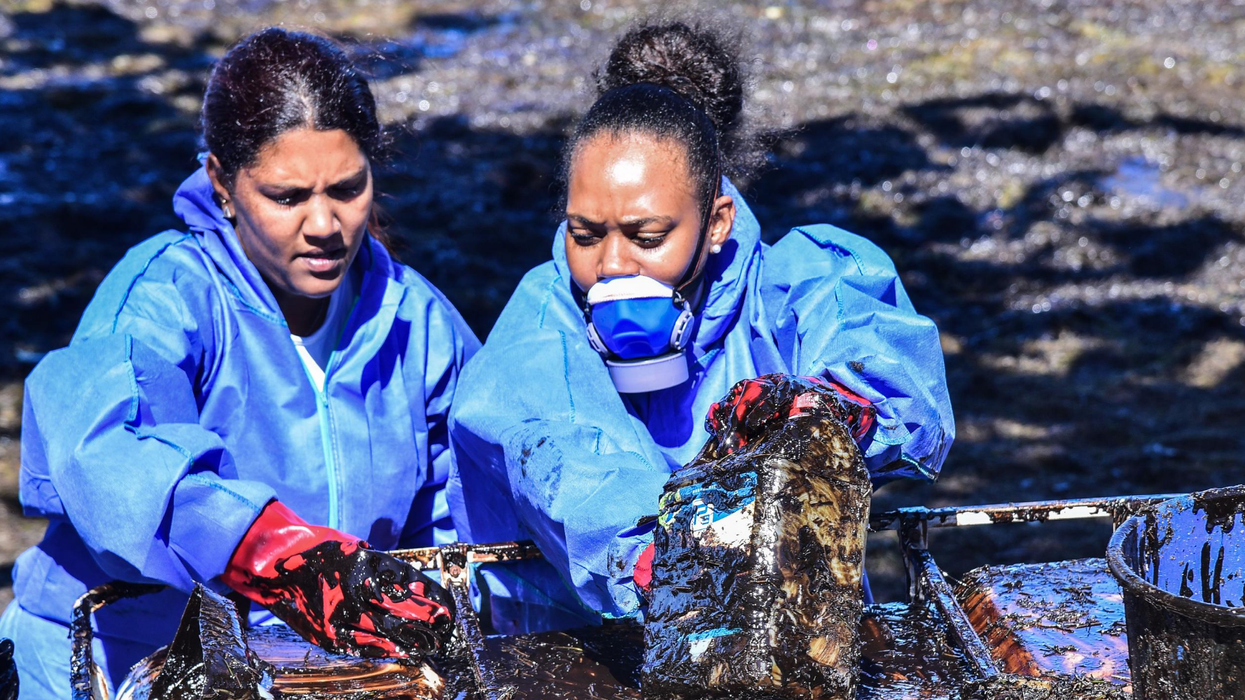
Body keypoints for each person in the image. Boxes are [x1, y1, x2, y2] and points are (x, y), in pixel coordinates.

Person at [0, 28, 478, 698]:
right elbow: (107, 450)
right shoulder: (164, 297)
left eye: (347, 188)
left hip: (313, 679)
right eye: (287, 196)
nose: (325, 224)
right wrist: (263, 545)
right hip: (114, 669)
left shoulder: (418, 323)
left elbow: (467, 511)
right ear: (222, 183)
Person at [448, 21, 955, 633]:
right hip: (585, 654)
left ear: (716, 222)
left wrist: (830, 415)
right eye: (584, 234)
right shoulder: (537, 327)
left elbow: (898, 382)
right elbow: (564, 465)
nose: (612, 265)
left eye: (648, 237)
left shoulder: (807, 280)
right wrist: (665, 561)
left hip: (799, 639)